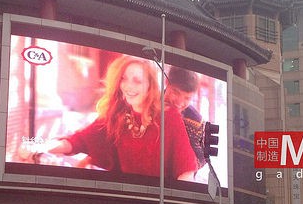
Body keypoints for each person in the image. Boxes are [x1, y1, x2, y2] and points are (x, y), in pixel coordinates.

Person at [39, 55, 198, 181]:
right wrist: (36, 145)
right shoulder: (117, 114)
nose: (128, 86)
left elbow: (186, 172)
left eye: (137, 81)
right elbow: (76, 141)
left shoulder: (169, 117)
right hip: (123, 203)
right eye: (123, 78)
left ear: (150, 85)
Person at [164, 66, 206, 169]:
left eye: (187, 98)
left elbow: (201, 159)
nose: (180, 102)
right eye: (176, 93)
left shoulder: (196, 122)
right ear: (166, 82)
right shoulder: (148, 102)